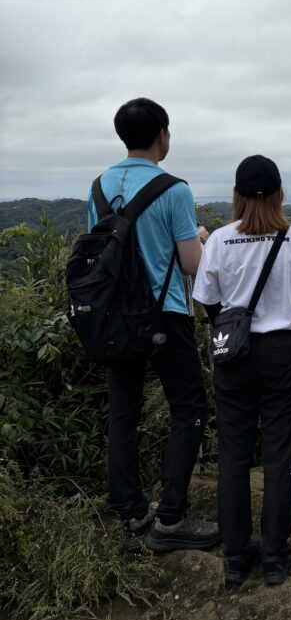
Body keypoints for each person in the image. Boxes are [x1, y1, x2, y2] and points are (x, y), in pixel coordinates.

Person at [87, 97, 220, 553]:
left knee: (123, 414)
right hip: (165, 314)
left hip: (113, 316)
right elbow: (191, 264)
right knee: (190, 407)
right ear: (162, 134)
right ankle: (171, 518)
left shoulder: (98, 187)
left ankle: (132, 517)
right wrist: (200, 238)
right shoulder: (174, 189)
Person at [193, 155, 291, 587]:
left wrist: (235, 330)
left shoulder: (219, 240)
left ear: (235, 195)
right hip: (284, 351)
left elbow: (209, 303)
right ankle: (274, 555)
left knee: (233, 454)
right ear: (279, 193)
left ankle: (235, 556)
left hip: (234, 353)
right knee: (279, 454)